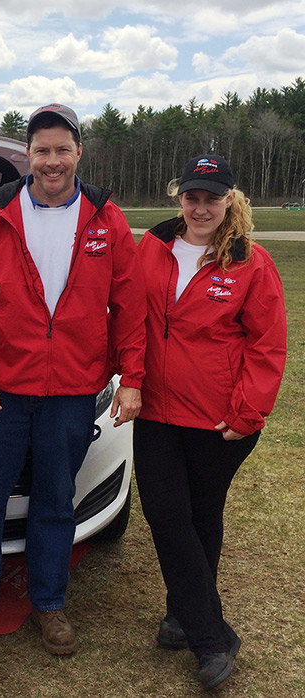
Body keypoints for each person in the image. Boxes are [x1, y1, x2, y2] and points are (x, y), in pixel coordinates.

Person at [0, 103, 146, 668]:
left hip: (73, 389)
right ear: (28, 155)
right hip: (5, 390)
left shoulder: (106, 218)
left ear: (78, 152)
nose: (52, 161)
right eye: (42, 150)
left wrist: (132, 378)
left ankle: (49, 603)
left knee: (56, 501)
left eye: (62, 149)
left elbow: (129, 306)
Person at [134, 155, 287, 691]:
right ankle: (212, 634)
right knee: (167, 514)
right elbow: (130, 317)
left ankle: (183, 616)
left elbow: (267, 346)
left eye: (212, 198)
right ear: (181, 199)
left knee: (200, 516)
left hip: (219, 419)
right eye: (192, 197)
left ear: (230, 201)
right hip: (154, 411)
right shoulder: (151, 247)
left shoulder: (251, 261)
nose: (201, 207)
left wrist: (248, 415)